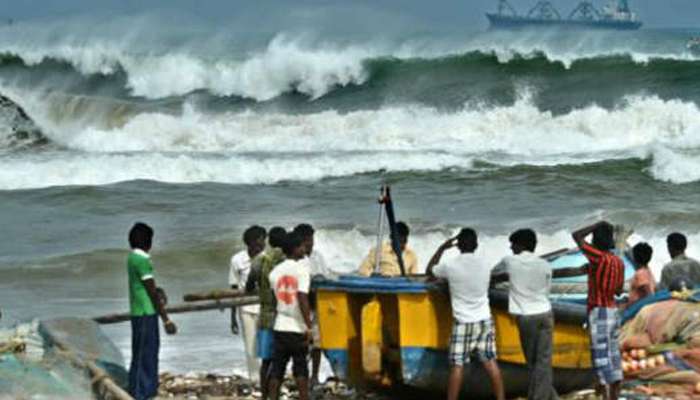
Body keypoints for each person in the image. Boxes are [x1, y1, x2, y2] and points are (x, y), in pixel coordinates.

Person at [426, 228, 505, 400]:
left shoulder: (451, 265)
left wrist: (441, 248)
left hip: (463, 321)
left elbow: (429, 271)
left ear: (458, 246)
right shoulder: (485, 264)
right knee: (490, 362)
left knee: (457, 366)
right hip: (484, 319)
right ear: (476, 245)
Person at [553, 221, 625, 400]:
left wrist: (597, 224)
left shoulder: (598, 257)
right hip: (613, 312)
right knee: (613, 357)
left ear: (596, 240)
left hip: (599, 311)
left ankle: (605, 396)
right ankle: (614, 396)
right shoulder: (618, 262)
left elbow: (577, 236)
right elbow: (618, 290)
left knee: (600, 359)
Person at [492, 229, 558, 400]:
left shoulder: (509, 261)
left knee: (533, 363)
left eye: (513, 244)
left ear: (520, 245)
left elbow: (491, 275)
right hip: (545, 312)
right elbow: (546, 289)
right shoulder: (544, 264)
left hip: (526, 316)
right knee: (543, 362)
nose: (511, 247)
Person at [126, 222, 177, 400]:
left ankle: (145, 389)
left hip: (139, 311)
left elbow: (148, 287)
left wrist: (157, 290)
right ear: (148, 241)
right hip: (145, 312)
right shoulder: (142, 260)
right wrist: (166, 320)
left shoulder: (132, 258)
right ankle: (141, 392)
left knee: (145, 351)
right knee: (145, 353)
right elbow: (151, 292)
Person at [268, 231, 313, 400]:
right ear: (295, 249)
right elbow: (302, 298)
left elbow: (275, 300)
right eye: (301, 246)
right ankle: (304, 397)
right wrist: (309, 325)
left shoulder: (274, 272)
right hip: (297, 326)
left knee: (277, 367)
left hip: (280, 325)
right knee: (300, 366)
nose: (304, 248)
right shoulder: (301, 270)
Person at [247, 226, 287, 399]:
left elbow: (249, 285)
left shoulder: (260, 260)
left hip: (266, 316)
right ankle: (275, 393)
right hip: (285, 317)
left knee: (266, 361)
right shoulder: (287, 260)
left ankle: (265, 395)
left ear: (269, 241)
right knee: (282, 361)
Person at [293, 223, 329, 388]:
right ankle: (301, 374)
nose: (310, 243)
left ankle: (314, 375)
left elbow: (325, 277)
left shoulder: (318, 256)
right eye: (307, 240)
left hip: (316, 305)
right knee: (300, 344)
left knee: (317, 343)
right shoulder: (296, 260)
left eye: (312, 239)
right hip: (301, 306)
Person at [229, 225, 267, 383]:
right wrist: (232, 318)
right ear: (250, 243)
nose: (262, 245)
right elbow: (233, 288)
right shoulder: (237, 260)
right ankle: (255, 378)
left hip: (265, 307)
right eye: (259, 242)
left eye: (264, 241)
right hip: (245, 308)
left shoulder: (267, 258)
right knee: (251, 345)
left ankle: (267, 375)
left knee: (265, 343)